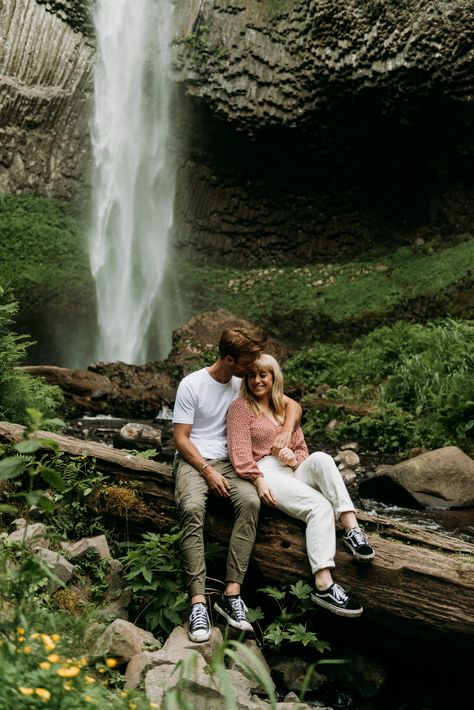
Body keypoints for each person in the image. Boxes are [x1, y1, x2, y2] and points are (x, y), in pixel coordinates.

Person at [173, 327, 302, 642]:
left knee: (251, 502)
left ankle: (231, 595)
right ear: (229, 360)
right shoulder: (192, 385)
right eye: (247, 363)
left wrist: (286, 432)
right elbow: (180, 439)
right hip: (195, 460)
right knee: (191, 508)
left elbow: (293, 406)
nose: (253, 369)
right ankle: (198, 603)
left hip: (233, 461)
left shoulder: (243, 385)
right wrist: (206, 470)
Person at [226, 353, 375, 618]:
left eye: (263, 375)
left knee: (322, 458)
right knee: (319, 507)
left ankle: (352, 529)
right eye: (252, 375)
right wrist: (258, 480)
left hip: (292, 470)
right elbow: (239, 453)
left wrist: (293, 459)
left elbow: (302, 450)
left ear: (274, 377)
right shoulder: (240, 408)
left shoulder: (284, 409)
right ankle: (324, 584)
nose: (257, 380)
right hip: (266, 472)